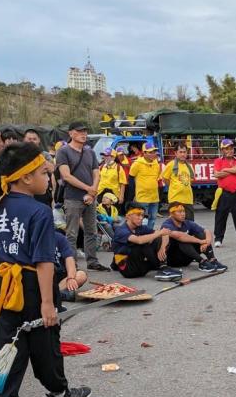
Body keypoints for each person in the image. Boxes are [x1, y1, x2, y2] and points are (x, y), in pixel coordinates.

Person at [0, 142, 91, 397]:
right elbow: (44, 261)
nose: (50, 179)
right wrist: (47, 303)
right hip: (31, 285)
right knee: (44, 340)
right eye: (45, 173)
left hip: (4, 283)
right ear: (26, 177)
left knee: (9, 343)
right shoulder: (39, 210)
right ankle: (58, 393)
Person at [55, 121, 106, 272]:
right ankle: (72, 265)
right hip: (72, 198)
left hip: (91, 197)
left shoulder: (90, 152)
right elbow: (66, 176)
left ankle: (92, 261)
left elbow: (96, 172)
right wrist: (88, 189)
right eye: (79, 131)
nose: (84, 134)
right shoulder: (63, 152)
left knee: (92, 230)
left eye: (85, 131)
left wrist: (93, 191)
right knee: (72, 233)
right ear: (71, 133)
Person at [110, 204, 179, 280]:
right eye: (138, 215)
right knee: (144, 243)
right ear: (128, 216)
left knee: (157, 239)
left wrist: (162, 248)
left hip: (140, 265)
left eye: (142, 215)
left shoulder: (141, 228)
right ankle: (162, 268)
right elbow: (139, 240)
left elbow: (165, 234)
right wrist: (159, 233)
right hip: (128, 270)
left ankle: (163, 267)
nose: (141, 218)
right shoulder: (121, 230)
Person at [161, 201, 225, 272]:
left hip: (187, 257)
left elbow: (206, 231)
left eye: (183, 211)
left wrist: (207, 242)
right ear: (171, 214)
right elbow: (180, 236)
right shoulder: (167, 224)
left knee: (201, 234)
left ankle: (212, 260)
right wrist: (201, 241)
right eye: (179, 212)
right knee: (183, 240)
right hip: (173, 260)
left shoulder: (187, 223)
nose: (183, 214)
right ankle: (202, 262)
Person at [212, 138, 236, 247]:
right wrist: (230, 170)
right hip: (223, 192)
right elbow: (216, 174)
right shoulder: (218, 161)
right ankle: (218, 239)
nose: (230, 150)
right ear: (222, 150)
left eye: (231, 148)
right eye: (227, 149)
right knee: (220, 216)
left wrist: (224, 170)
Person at [128, 142, 163, 230]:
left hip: (154, 197)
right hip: (142, 198)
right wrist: (132, 195)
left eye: (154, 152)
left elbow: (156, 179)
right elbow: (131, 179)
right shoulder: (137, 163)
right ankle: (141, 236)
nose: (153, 154)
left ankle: (149, 235)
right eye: (150, 152)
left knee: (153, 219)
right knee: (142, 220)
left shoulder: (156, 163)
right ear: (144, 153)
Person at [161, 145, 196, 220]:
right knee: (176, 224)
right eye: (180, 152)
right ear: (175, 153)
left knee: (190, 224)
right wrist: (175, 187)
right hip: (175, 200)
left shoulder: (189, 166)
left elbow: (191, 180)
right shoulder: (171, 164)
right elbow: (165, 178)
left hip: (188, 199)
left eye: (184, 152)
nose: (183, 154)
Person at [53, 231, 87, 302]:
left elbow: (69, 259)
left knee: (81, 275)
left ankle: (56, 293)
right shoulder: (35, 237)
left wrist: (70, 277)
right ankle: (57, 294)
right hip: (44, 275)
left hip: (61, 276)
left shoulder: (59, 237)